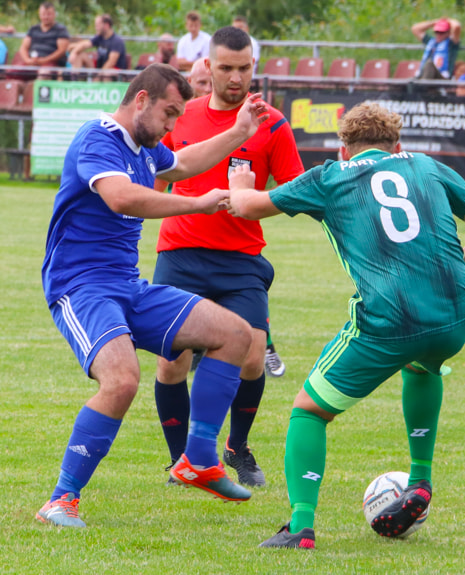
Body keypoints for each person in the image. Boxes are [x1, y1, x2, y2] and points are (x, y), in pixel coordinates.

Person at [224, 102, 465, 549]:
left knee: (308, 411)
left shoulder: (329, 177)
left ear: (343, 149)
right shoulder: (426, 166)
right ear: (398, 146)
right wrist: (453, 272)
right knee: (423, 365)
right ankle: (420, 480)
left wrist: (239, 183)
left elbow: (247, 207)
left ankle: (300, 526)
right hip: (456, 314)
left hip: (389, 319)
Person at [35, 63, 272, 528]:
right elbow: (123, 198)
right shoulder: (98, 137)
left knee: (236, 335)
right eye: (168, 114)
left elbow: (183, 163)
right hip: (81, 287)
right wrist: (198, 202)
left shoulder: (144, 149)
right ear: (140, 100)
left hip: (128, 285)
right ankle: (61, 500)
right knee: (122, 380)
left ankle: (198, 459)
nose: (171, 126)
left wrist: (239, 131)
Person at [151, 26, 304, 488]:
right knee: (170, 361)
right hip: (180, 252)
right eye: (226, 68)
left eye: (244, 68)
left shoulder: (272, 123)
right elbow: (154, 185)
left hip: (241, 259)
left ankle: (236, 447)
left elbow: (295, 191)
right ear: (207, 67)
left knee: (254, 355)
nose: (236, 78)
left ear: (253, 66)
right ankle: (184, 461)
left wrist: (255, 201)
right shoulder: (184, 116)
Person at [17, 1, 70, 76]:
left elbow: (61, 51)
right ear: (39, 14)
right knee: (12, 71)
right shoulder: (33, 29)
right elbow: (23, 47)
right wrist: (28, 60)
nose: (46, 17)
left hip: (52, 63)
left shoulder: (61, 30)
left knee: (43, 74)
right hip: (32, 61)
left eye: (48, 14)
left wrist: (44, 60)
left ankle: (38, 87)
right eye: (43, 14)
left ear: (54, 14)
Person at [68, 13, 127, 79]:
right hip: (99, 69)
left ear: (106, 25)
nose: (96, 28)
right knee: (80, 55)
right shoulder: (99, 37)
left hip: (116, 72)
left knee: (107, 73)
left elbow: (111, 62)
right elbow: (84, 45)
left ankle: (100, 87)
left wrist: (97, 77)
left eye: (98, 25)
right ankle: (74, 82)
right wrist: (74, 53)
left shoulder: (116, 41)